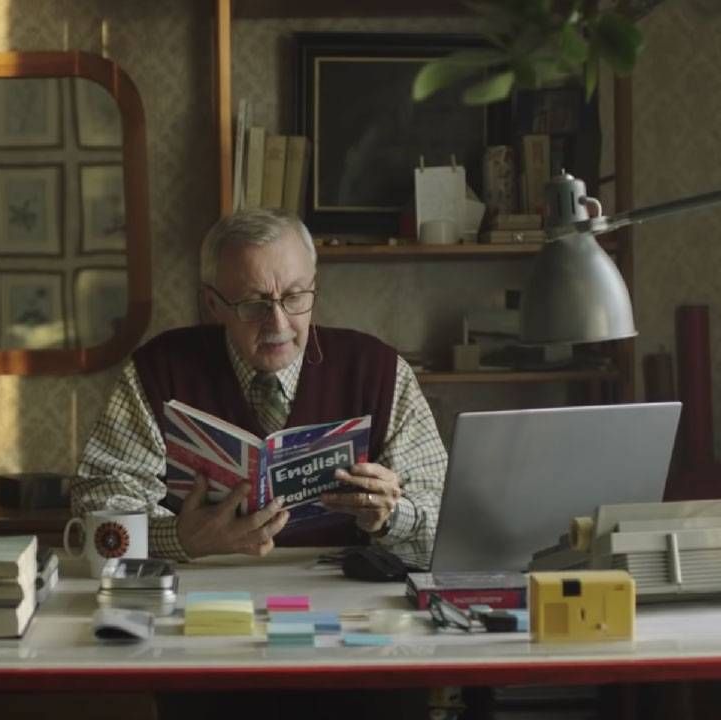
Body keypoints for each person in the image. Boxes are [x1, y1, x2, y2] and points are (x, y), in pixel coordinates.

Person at [71, 208, 447, 563]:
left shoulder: (378, 370)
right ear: (213, 305)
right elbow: (99, 500)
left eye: (295, 297)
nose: (279, 324)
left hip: (343, 587)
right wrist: (177, 537)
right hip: (200, 585)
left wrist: (391, 516)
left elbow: (447, 514)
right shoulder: (158, 370)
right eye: (254, 304)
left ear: (314, 287)